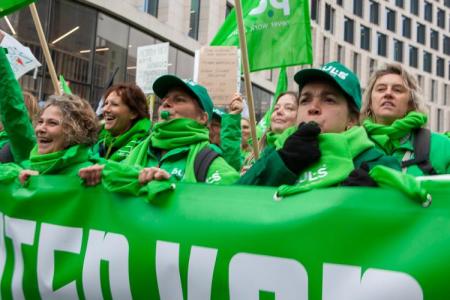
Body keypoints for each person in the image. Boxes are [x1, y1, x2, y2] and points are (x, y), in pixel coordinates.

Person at [238, 61, 400, 190]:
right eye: (305, 100)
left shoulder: (377, 164)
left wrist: (368, 204)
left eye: (329, 99)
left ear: (352, 118)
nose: (313, 107)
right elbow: (235, 202)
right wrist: (283, 163)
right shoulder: (275, 154)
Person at [79, 75, 239, 190]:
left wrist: (173, 187)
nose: (167, 103)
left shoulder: (208, 161)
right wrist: (101, 176)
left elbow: (230, 206)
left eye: (179, 99)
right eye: (164, 100)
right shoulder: (140, 149)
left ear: (202, 118)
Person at [361, 63, 450, 175]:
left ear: (411, 103)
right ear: (370, 102)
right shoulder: (353, 143)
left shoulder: (443, 146)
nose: (388, 93)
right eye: (381, 89)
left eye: (397, 90)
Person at [0, 94, 98, 184]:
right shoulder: (24, 168)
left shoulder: (89, 175)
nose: (40, 129)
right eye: (40, 121)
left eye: (52, 123)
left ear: (75, 132)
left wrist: (45, 185)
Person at [241, 91, 299, 172]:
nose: (279, 111)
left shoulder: (302, 152)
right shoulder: (253, 154)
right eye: (276, 108)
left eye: (288, 108)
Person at [92, 83, 151, 162]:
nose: (105, 109)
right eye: (106, 103)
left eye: (114, 104)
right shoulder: (96, 137)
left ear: (133, 113)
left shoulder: (146, 144)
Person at [208, 93, 244, 171]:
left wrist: (234, 114)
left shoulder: (235, 157)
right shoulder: (196, 150)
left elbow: (231, 165)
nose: (209, 128)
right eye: (207, 124)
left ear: (225, 129)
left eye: (215, 125)